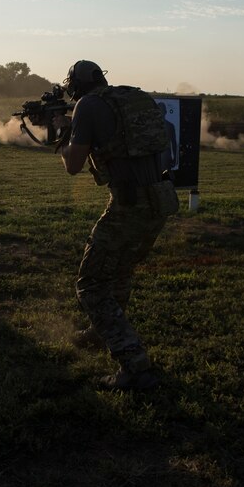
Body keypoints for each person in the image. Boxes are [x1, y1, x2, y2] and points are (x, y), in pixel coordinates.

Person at [53, 60, 179, 391]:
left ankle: (135, 365)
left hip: (129, 204)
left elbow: (73, 166)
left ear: (74, 85)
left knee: (91, 284)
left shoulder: (88, 105)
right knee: (120, 271)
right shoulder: (130, 98)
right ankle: (101, 332)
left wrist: (60, 134)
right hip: (160, 199)